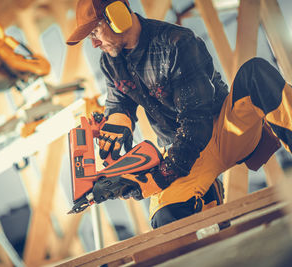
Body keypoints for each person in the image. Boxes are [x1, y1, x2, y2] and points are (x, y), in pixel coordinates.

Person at [66, 0, 292, 229]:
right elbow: (119, 100)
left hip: (223, 131)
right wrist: (118, 118)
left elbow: (196, 119)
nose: (94, 43)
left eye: (95, 32)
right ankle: (212, 221)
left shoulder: (176, 43)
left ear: (118, 16)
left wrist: (163, 174)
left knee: (255, 74)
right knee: (166, 220)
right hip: (180, 151)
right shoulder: (111, 61)